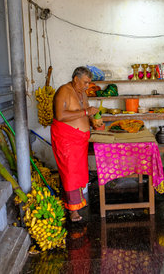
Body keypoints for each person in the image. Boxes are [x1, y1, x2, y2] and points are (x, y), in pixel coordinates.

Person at [51, 66, 99, 222]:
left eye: (88, 83)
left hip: (80, 140)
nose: (86, 86)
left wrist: (93, 121)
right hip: (66, 139)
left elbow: (85, 110)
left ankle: (77, 203)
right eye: (85, 83)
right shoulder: (63, 91)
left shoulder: (82, 93)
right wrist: (86, 113)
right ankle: (73, 211)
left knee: (78, 173)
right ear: (76, 79)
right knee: (70, 174)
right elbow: (60, 115)